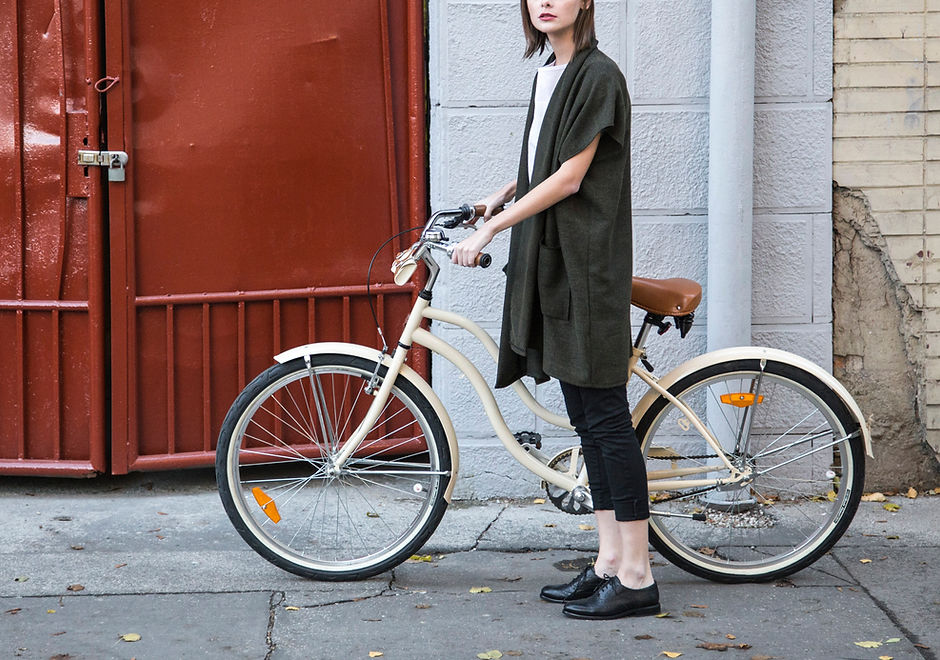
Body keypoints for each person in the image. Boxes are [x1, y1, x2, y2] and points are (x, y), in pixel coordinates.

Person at [451, 0, 658, 620]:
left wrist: (492, 233)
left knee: (605, 416)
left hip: (586, 268)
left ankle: (640, 574)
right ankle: (607, 564)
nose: (544, 1)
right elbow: (541, 165)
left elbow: (570, 178)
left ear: (585, 3)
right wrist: (494, 199)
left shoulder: (599, 75)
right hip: (555, 263)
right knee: (587, 418)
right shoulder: (548, 71)